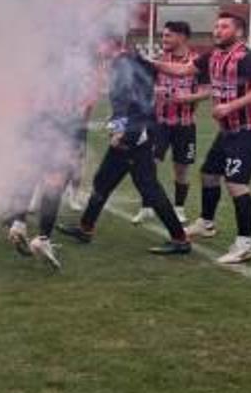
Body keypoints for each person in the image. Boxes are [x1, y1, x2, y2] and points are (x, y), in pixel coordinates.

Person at [151, 12, 251, 264]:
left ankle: (244, 244)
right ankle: (206, 223)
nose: (217, 30)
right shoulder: (213, 56)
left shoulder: (247, 58)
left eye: (224, 27)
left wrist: (231, 106)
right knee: (208, 173)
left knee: (236, 184)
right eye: (216, 26)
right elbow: (185, 69)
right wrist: (152, 63)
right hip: (227, 131)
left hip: (249, 130)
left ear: (238, 32)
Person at [56, 42, 191, 255]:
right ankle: (86, 228)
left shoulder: (123, 63)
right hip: (136, 130)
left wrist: (122, 133)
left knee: (148, 187)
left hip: (134, 134)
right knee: (103, 180)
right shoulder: (131, 60)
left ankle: (180, 239)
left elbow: (129, 102)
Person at [3, 45, 97, 270]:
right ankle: (43, 239)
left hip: (33, 127)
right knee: (54, 184)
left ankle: (18, 223)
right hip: (61, 129)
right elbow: (86, 104)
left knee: (27, 175)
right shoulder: (73, 76)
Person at [132, 21, 208, 225]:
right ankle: (147, 206)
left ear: (182, 37)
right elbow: (142, 88)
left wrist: (188, 98)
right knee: (150, 164)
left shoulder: (197, 62)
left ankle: (179, 208)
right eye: (163, 36)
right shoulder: (158, 61)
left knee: (181, 168)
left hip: (185, 124)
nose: (163, 39)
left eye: (168, 36)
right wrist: (154, 91)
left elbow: (206, 92)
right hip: (159, 123)